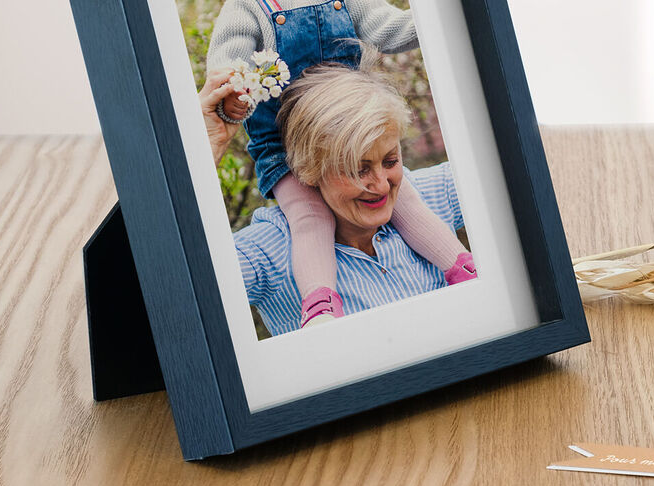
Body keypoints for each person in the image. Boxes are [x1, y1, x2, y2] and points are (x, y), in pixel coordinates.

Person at [204, 0, 475, 328]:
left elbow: (389, 30)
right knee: (310, 219)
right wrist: (235, 92)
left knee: (406, 197)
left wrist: (442, 14)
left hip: (353, 133)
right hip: (285, 147)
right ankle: (322, 307)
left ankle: (464, 271)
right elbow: (225, 66)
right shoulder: (246, 5)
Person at [200, 63, 469, 336]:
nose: (381, 184)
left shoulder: (435, 196)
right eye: (357, 169)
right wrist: (206, 149)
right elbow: (180, 282)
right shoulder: (271, 252)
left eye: (390, 161)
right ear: (310, 171)